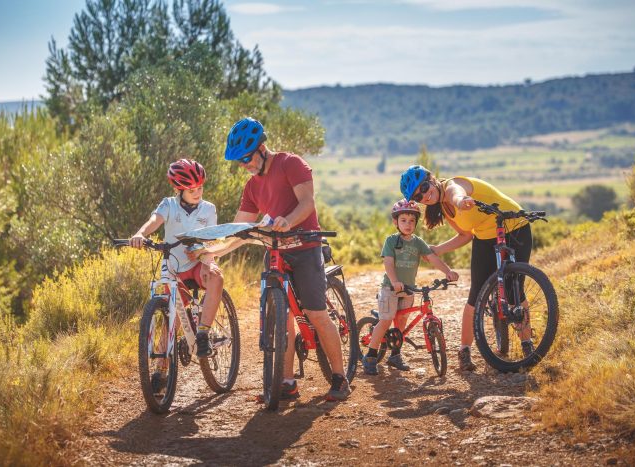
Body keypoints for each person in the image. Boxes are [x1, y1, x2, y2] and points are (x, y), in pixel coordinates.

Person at [224, 117, 350, 402]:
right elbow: (239, 229)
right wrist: (212, 252)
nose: (245, 164)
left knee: (316, 313)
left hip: (305, 246)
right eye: (239, 161)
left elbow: (307, 203)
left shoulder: (290, 164)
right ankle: (286, 382)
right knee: (281, 319)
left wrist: (288, 220)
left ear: (261, 147)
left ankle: (341, 378)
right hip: (276, 251)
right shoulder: (251, 187)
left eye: (246, 158)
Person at [399, 165, 534, 371]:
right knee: (476, 294)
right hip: (485, 237)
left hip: (515, 227)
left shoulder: (454, 185)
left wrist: (462, 202)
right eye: (418, 197)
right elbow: (466, 235)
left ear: (432, 179)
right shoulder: (445, 208)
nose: (424, 195)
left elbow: (456, 194)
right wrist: (438, 250)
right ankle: (464, 351)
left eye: (424, 187)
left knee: (514, 288)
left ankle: (527, 345)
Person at [130, 159, 224, 358]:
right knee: (171, 319)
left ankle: (204, 333)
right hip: (175, 268)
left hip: (200, 263)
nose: (197, 193)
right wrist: (140, 234)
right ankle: (161, 371)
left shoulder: (208, 209)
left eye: (200, 188)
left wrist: (201, 250)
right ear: (179, 190)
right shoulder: (169, 205)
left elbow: (213, 239)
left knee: (216, 276)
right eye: (191, 190)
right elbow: (155, 220)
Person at [362, 199, 459, 376]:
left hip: (408, 290)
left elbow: (433, 258)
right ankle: (370, 356)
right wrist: (394, 281)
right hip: (390, 288)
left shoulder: (418, 243)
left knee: (401, 323)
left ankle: (395, 355)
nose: (408, 224)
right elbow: (388, 263)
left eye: (412, 220)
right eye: (403, 220)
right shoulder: (391, 241)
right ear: (395, 222)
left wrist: (448, 271)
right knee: (385, 320)